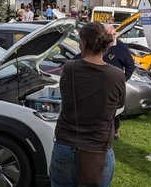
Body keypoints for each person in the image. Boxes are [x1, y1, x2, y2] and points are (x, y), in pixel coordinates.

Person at [49, 22, 126, 187]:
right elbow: (120, 103)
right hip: (99, 150)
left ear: (83, 42)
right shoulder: (117, 75)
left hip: (67, 145)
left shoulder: (69, 68)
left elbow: (66, 95)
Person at [103, 25, 135, 139]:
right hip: (100, 84)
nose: (105, 38)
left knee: (115, 111)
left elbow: (130, 66)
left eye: (108, 35)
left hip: (114, 86)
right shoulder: (100, 45)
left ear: (114, 35)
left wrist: (123, 80)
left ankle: (115, 130)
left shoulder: (121, 47)